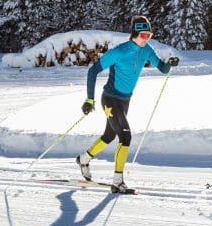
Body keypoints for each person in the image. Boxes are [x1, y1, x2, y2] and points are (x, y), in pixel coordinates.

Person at [76, 15, 178, 193]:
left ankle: (83, 159)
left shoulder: (147, 50)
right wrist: (89, 99)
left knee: (109, 136)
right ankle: (117, 182)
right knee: (125, 136)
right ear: (135, 34)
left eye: (149, 36)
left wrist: (170, 65)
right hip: (110, 99)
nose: (147, 39)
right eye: (144, 35)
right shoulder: (119, 51)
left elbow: (162, 68)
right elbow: (93, 71)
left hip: (124, 101)